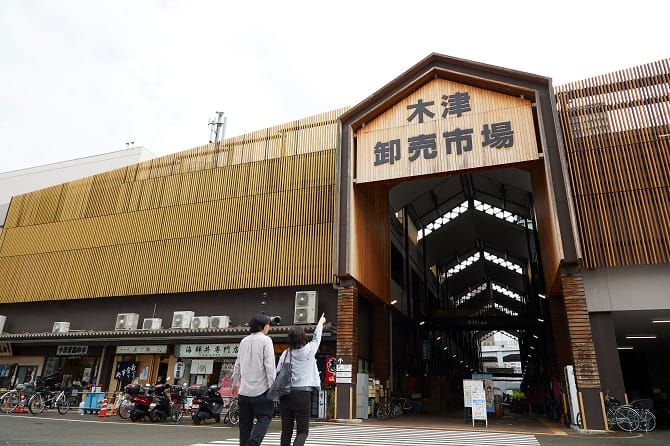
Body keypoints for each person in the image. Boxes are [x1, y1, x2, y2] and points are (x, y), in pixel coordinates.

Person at [277, 314, 326, 446]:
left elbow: (278, 372)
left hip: (285, 395)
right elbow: (317, 338)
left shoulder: (286, 353)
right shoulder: (309, 350)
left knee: (286, 431)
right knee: (302, 431)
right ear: (303, 337)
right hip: (302, 395)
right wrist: (320, 323)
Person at [232, 314, 276, 446]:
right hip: (261, 391)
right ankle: (253, 443)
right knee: (265, 417)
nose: (269, 327)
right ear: (263, 326)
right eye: (268, 324)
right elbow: (269, 367)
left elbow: (237, 364)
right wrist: (273, 388)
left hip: (244, 392)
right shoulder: (266, 340)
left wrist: (234, 383)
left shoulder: (244, 341)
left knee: (245, 424)